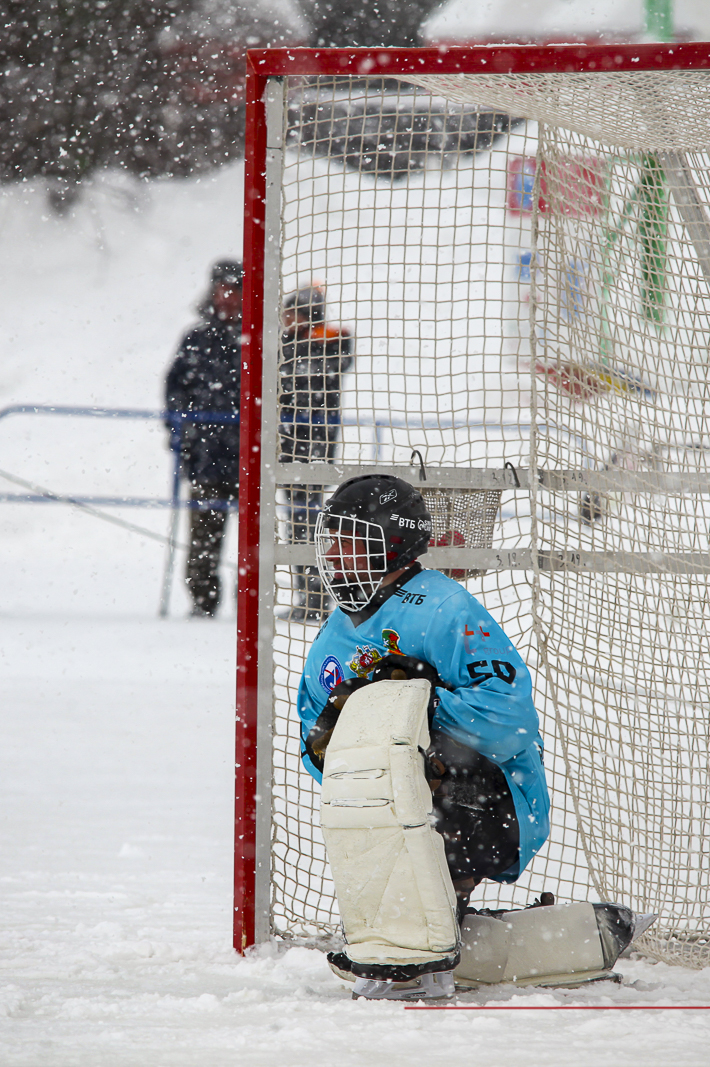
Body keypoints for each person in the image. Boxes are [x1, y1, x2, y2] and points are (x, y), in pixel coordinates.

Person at [294, 474, 554, 999]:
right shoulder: (335, 627)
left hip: (491, 801)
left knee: (433, 797)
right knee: (362, 803)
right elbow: (314, 729)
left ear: (390, 543)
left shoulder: (445, 608)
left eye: (349, 539)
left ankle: (424, 935)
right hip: (401, 805)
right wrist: (337, 746)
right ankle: (417, 932)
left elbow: (513, 715)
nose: (332, 553)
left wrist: (420, 707)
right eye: (330, 539)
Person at [164, 260, 242, 617]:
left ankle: (250, 602)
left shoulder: (260, 338)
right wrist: (183, 431)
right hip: (207, 456)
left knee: (253, 539)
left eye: (236, 289)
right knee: (203, 535)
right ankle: (202, 599)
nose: (229, 297)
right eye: (223, 288)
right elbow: (174, 389)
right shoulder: (197, 338)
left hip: (249, 458)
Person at [277, 285, 353, 620]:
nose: (287, 322)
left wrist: (307, 335)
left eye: (295, 314)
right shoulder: (286, 346)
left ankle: (316, 598)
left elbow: (340, 354)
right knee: (296, 524)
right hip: (288, 447)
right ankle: (307, 597)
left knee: (311, 525)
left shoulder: (328, 342)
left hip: (316, 448)